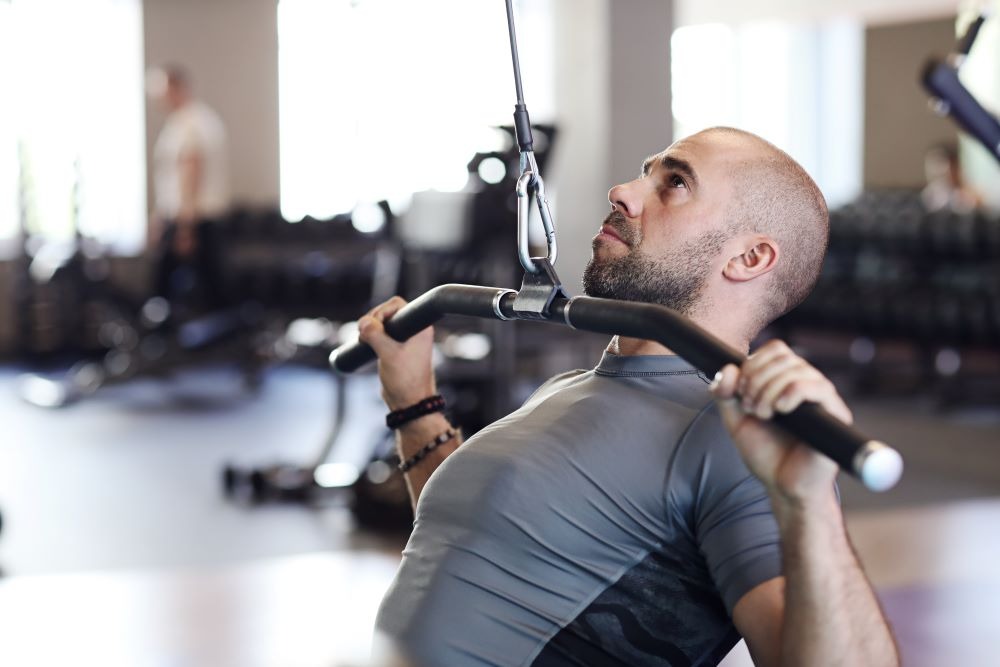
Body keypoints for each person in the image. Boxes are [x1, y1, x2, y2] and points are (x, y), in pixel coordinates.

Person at [359, 127, 899, 666]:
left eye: (676, 182)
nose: (622, 190)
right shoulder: (565, 389)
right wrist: (415, 400)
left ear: (749, 258)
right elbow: (478, 543)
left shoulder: (733, 434)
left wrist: (808, 506)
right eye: (646, 173)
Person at [149, 65, 230, 309]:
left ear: (175, 88)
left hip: (192, 219)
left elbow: (191, 172)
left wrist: (186, 227)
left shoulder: (191, 123)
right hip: (188, 217)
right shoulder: (187, 121)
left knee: (172, 288)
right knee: (210, 287)